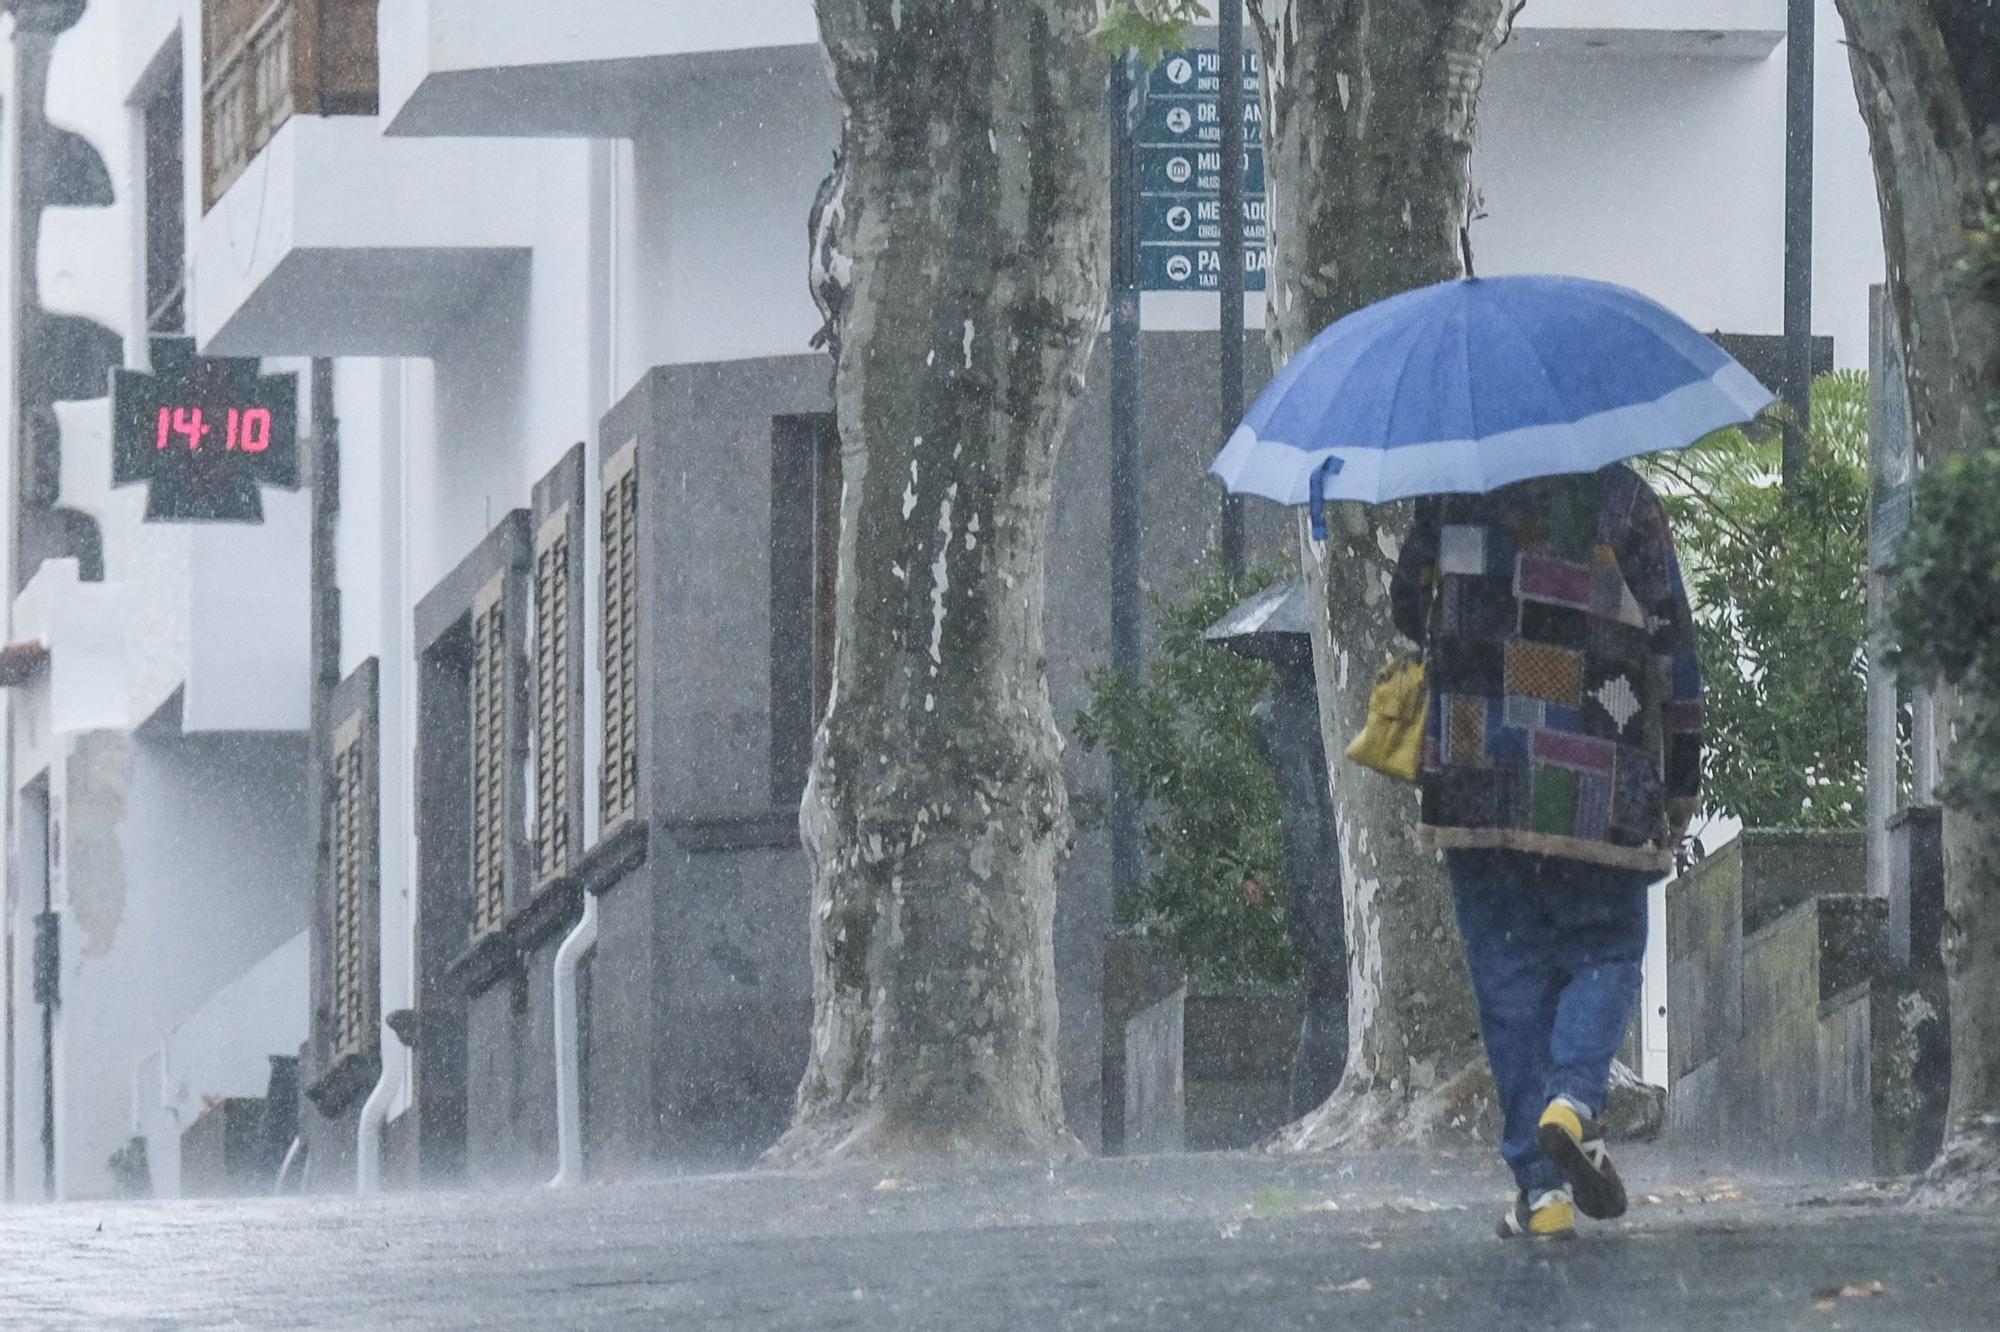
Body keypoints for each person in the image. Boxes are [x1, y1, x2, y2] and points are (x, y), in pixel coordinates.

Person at [1390, 463, 1702, 1241]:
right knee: (1604, 946)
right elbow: (1673, 644)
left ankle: (1541, 1193)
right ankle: (1573, 1098)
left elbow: (1405, 607)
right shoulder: (1626, 501)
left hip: (1475, 770)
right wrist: (1684, 774)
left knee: (1508, 978)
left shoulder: (1450, 488)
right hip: (1594, 774)